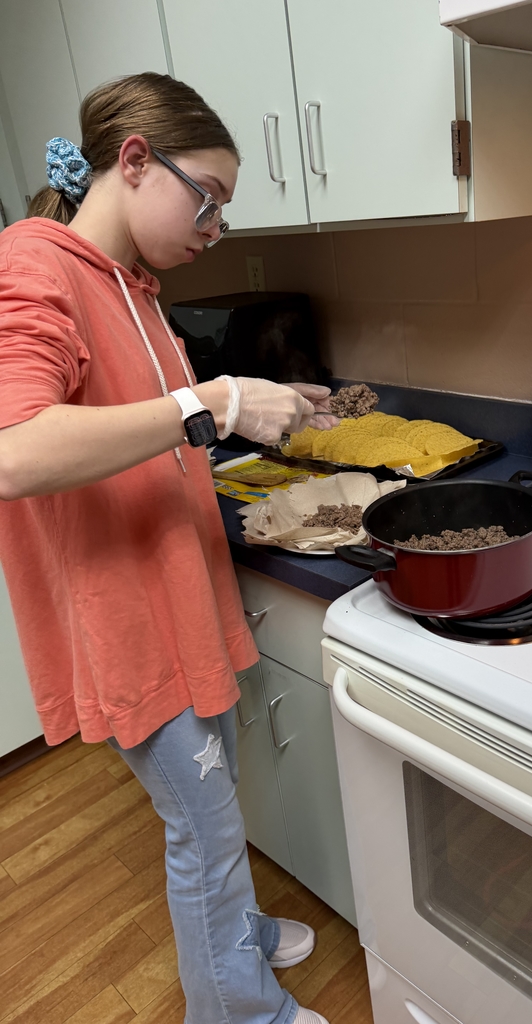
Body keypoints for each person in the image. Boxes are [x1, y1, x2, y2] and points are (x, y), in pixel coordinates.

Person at [0, 72, 340, 1024]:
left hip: (181, 595)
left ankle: (236, 935)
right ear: (137, 162)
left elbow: (148, 428)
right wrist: (216, 399)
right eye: (211, 199)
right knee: (204, 829)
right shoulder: (33, 265)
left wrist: (257, 407)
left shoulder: (136, 288)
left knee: (219, 803)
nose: (216, 228)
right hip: (128, 619)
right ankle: (237, 1009)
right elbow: (14, 451)